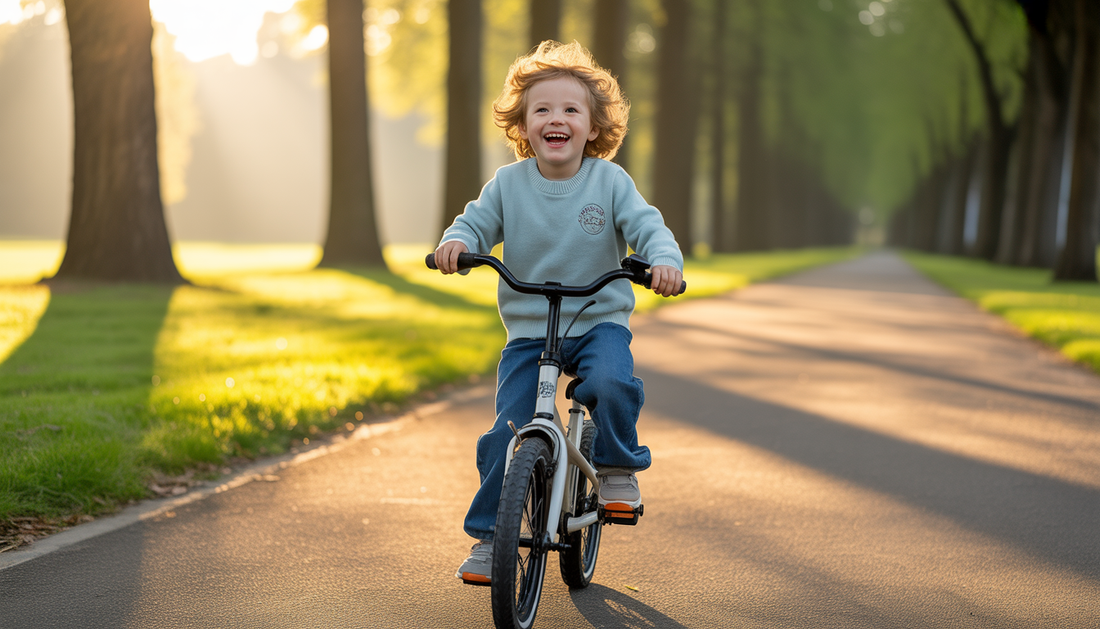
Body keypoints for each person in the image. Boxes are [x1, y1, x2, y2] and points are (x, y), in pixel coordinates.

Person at [432, 40, 684, 585]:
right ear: (523, 126)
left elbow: (648, 228)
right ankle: (489, 539)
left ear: (593, 127)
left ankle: (616, 467)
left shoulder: (609, 183)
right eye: (542, 109)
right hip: (530, 331)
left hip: (597, 320)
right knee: (505, 433)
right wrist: (457, 243)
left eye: (571, 110)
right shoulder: (508, 184)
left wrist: (662, 260)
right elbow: (474, 223)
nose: (557, 119)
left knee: (614, 382)